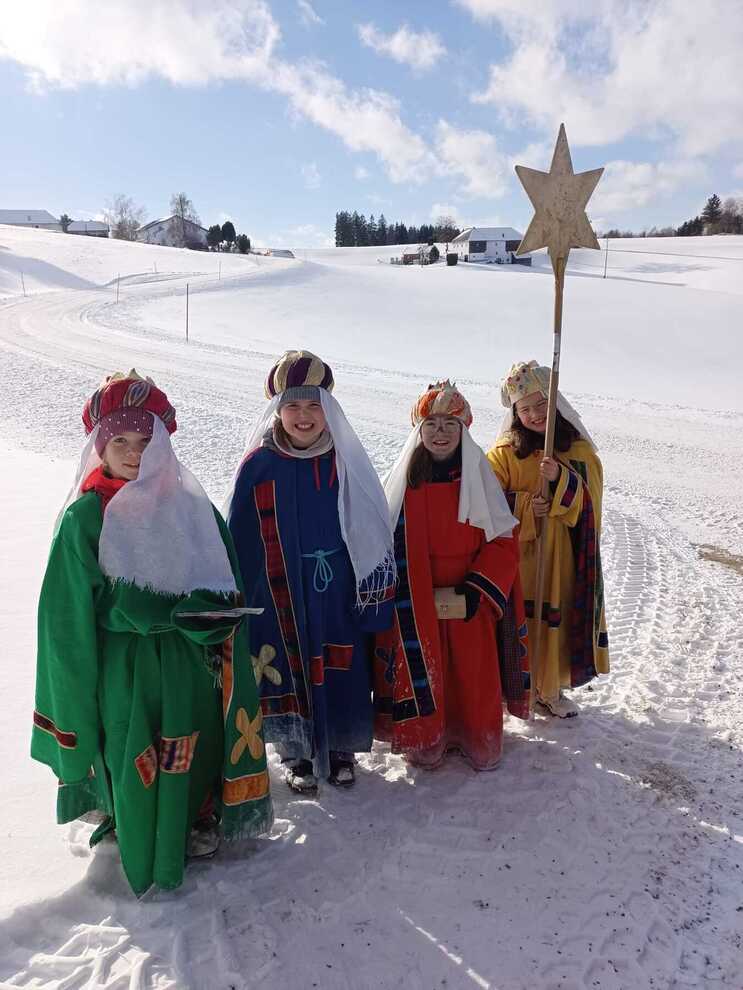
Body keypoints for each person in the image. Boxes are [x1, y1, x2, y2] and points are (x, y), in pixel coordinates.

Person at [32, 371, 272, 896]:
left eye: (145, 441)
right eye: (120, 440)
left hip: (189, 663)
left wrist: (214, 616)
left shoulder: (192, 509)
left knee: (191, 741)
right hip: (125, 666)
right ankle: (133, 823)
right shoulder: (85, 517)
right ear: (99, 446)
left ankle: (194, 815)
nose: (133, 453)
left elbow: (226, 580)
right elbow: (65, 619)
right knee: (131, 745)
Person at [225, 350, 395, 793]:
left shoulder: (345, 459)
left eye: (313, 405)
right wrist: (241, 593)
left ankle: (340, 747)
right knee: (287, 663)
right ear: (277, 411)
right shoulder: (260, 464)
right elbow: (240, 533)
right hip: (280, 590)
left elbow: (370, 522)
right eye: (293, 406)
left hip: (336, 587)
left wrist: (369, 585)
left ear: (328, 409)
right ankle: (295, 752)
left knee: (341, 663)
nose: (304, 416)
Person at [374, 380, 530, 771]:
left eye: (450, 424)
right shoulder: (405, 481)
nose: (440, 432)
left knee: (472, 672)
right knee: (429, 667)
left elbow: (502, 540)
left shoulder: (480, 477)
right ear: (418, 429)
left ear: (464, 429)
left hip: (469, 594)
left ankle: (478, 736)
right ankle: (428, 737)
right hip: (418, 593)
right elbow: (383, 536)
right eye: (431, 423)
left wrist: (478, 587)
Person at [487, 360, 609, 718]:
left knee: (554, 621)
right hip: (519, 556)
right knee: (520, 623)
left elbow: (590, 505)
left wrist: (561, 481)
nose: (535, 414)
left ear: (555, 403)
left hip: (561, 557)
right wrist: (525, 505)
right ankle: (519, 689)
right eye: (525, 409)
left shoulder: (579, 453)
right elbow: (485, 501)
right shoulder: (504, 454)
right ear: (515, 413)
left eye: (542, 404)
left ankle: (550, 689)